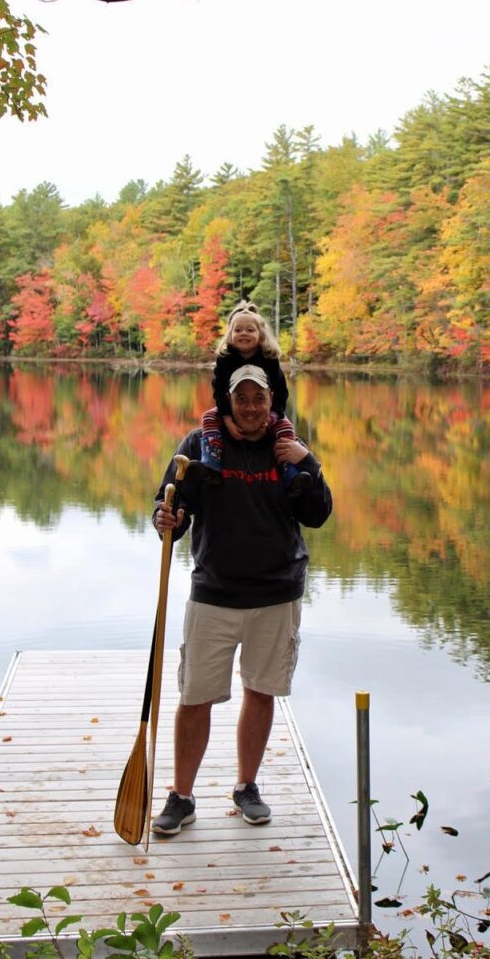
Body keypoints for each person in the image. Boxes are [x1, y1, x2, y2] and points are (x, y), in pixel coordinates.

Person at [150, 364, 332, 833]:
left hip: (276, 592)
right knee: (195, 697)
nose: (251, 407)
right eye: (242, 398)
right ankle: (182, 796)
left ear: (272, 400)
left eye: (259, 398)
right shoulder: (198, 446)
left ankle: (246, 787)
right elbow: (173, 508)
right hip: (214, 591)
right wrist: (166, 520)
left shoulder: (287, 448)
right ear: (229, 400)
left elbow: (317, 515)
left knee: (261, 690)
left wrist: (308, 463)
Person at [190, 301, 312, 498]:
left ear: (261, 335)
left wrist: (272, 417)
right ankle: (211, 462)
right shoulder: (225, 358)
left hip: (271, 413)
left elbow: (281, 392)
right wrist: (227, 419)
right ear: (230, 335)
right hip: (227, 410)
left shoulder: (269, 358)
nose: (243, 334)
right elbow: (219, 391)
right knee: (208, 418)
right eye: (237, 330)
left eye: (249, 330)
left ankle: (290, 472)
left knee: (286, 427)